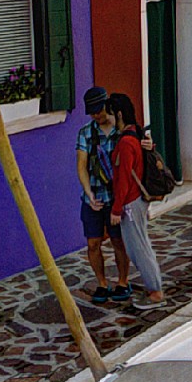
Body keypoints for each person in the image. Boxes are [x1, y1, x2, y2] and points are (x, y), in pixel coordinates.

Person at [103, 93, 164, 304]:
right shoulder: (135, 135)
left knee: (137, 247)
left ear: (118, 114)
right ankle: (153, 286)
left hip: (130, 203)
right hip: (135, 202)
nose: (107, 120)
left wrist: (116, 209)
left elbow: (123, 179)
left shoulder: (126, 143)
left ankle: (154, 291)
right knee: (141, 244)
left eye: (109, 115)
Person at [74, 86, 127, 304]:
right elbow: (81, 165)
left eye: (100, 110)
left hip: (116, 198)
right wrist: (88, 193)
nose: (97, 115)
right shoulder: (86, 133)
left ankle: (123, 282)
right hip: (94, 198)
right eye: (93, 112)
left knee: (118, 241)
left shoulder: (121, 130)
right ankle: (102, 283)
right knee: (93, 243)